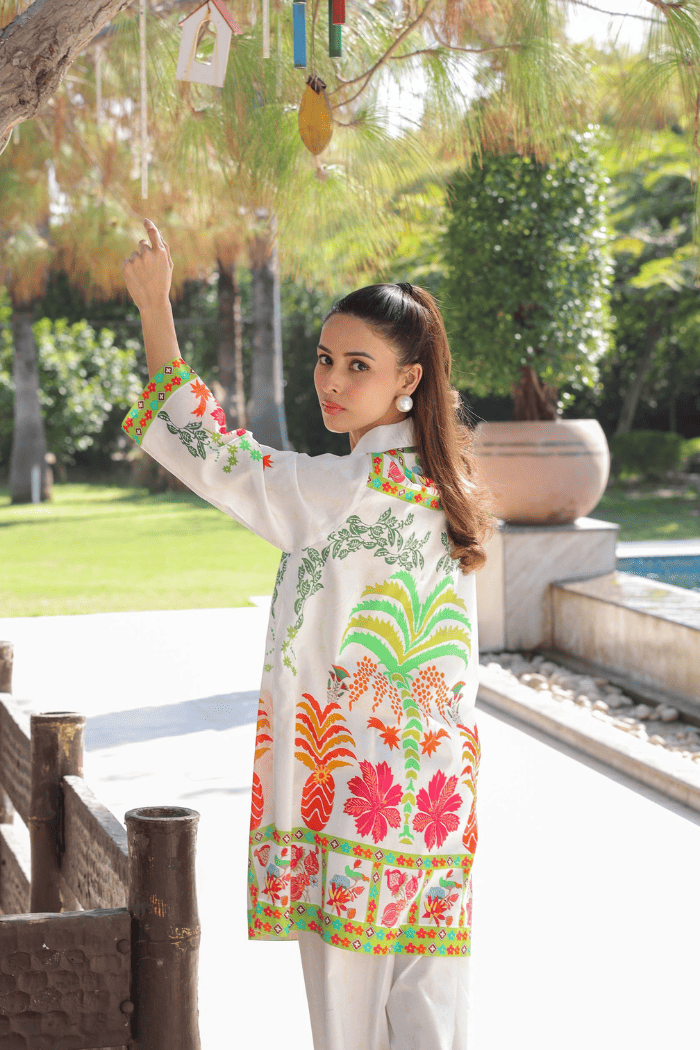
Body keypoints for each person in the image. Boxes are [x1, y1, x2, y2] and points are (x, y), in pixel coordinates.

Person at [122, 218, 493, 1050]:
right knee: (432, 1020)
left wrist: (155, 309)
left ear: (410, 379)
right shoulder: (448, 483)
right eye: (327, 358)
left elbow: (211, 454)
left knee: (350, 1026)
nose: (331, 380)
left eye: (357, 365)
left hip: (354, 802)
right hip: (433, 805)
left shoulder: (348, 489)